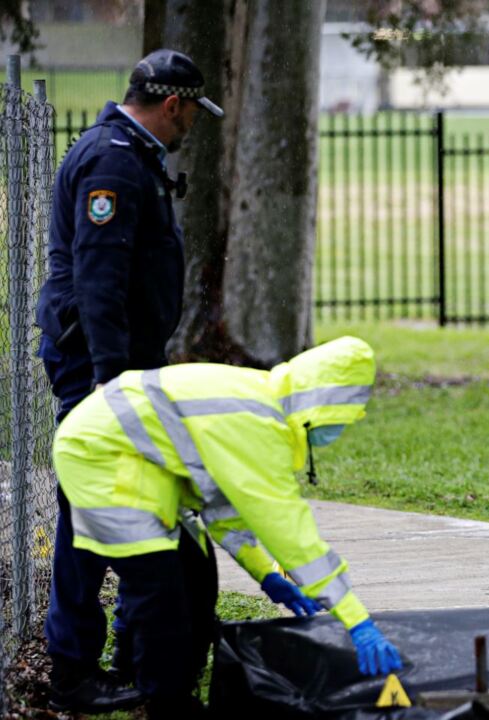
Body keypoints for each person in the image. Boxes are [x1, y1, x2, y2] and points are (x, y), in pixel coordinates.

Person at [51, 336, 404, 718]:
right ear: (322, 405)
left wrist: (266, 574)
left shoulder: (261, 406)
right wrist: (355, 619)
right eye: (343, 418)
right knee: (161, 590)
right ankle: (166, 703)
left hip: (131, 458)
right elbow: (288, 529)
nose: (340, 431)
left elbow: (223, 509)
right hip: (102, 457)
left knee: (196, 574)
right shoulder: (259, 424)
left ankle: (167, 686)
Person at [35, 49, 224, 713]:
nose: (191, 126)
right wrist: (113, 387)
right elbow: (99, 282)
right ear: (173, 104)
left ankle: (116, 655)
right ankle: (75, 668)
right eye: (192, 113)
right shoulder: (115, 160)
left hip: (116, 364)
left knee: (114, 509)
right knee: (88, 515)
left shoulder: (125, 151)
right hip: (98, 367)